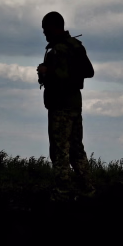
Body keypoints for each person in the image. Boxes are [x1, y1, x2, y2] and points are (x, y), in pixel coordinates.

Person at [36, 11, 95, 197]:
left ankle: (63, 189)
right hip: (75, 105)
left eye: (46, 30)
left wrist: (47, 71)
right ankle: (87, 188)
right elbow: (89, 71)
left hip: (60, 105)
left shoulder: (59, 50)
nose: (45, 34)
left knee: (60, 150)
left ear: (54, 27)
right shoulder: (75, 46)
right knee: (77, 148)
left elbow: (62, 76)